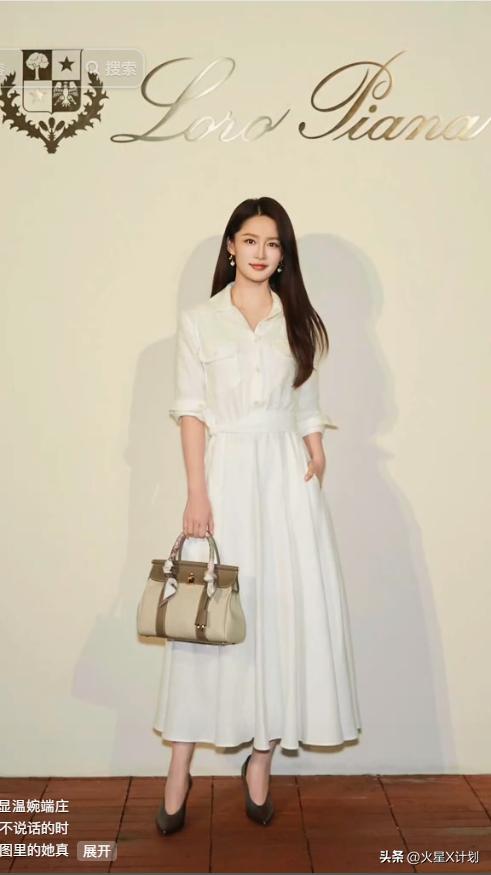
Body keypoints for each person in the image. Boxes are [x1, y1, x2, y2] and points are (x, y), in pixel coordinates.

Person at [153, 196, 362, 835]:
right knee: (204, 618)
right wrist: (197, 493)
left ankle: (261, 760)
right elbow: (192, 411)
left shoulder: (298, 322)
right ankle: (179, 768)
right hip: (224, 477)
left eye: (273, 243)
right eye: (250, 240)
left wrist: (316, 446)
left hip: (287, 485)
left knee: (280, 615)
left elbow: (305, 403)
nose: (260, 253)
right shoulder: (200, 321)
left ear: (283, 255)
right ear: (231, 246)